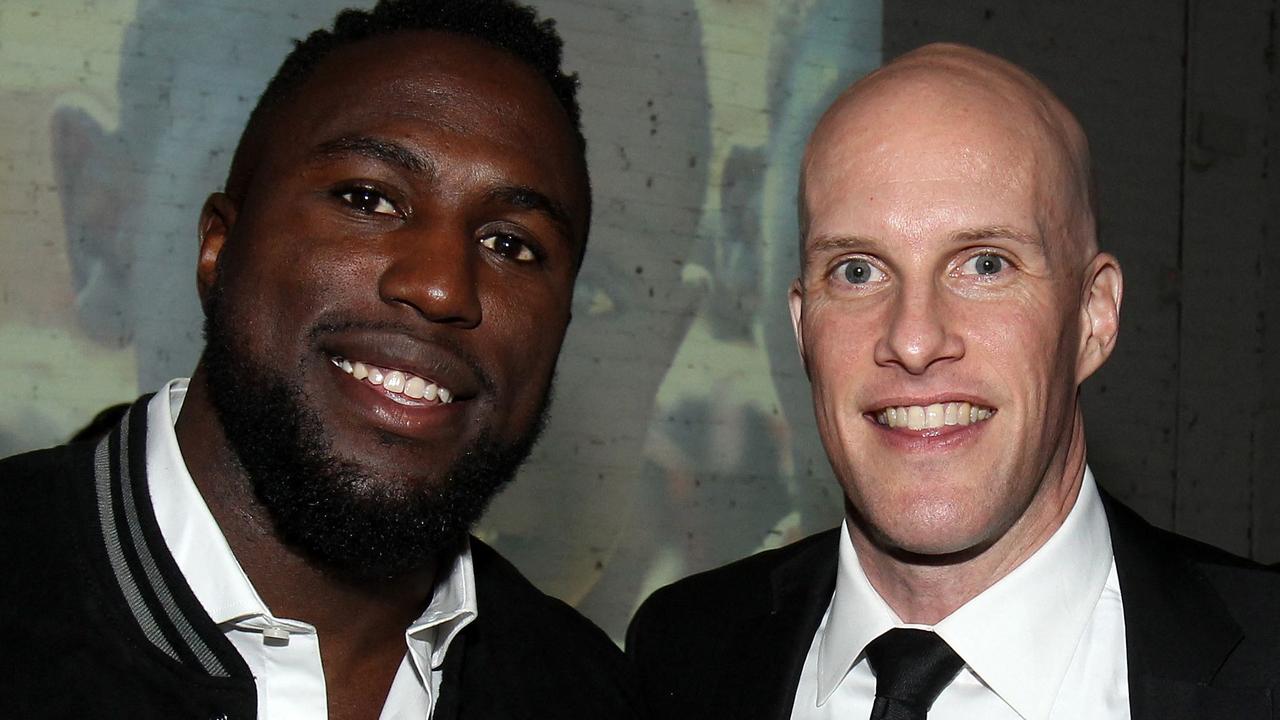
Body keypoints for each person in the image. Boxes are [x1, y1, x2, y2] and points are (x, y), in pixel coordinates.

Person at [0, 1, 641, 718]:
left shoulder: (588, 694)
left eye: (510, 244)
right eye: (368, 198)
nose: (440, 286)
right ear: (218, 248)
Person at [627, 43, 1280, 720]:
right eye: (856, 271)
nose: (913, 340)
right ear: (802, 327)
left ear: (1093, 316)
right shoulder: (680, 653)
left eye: (986, 265)